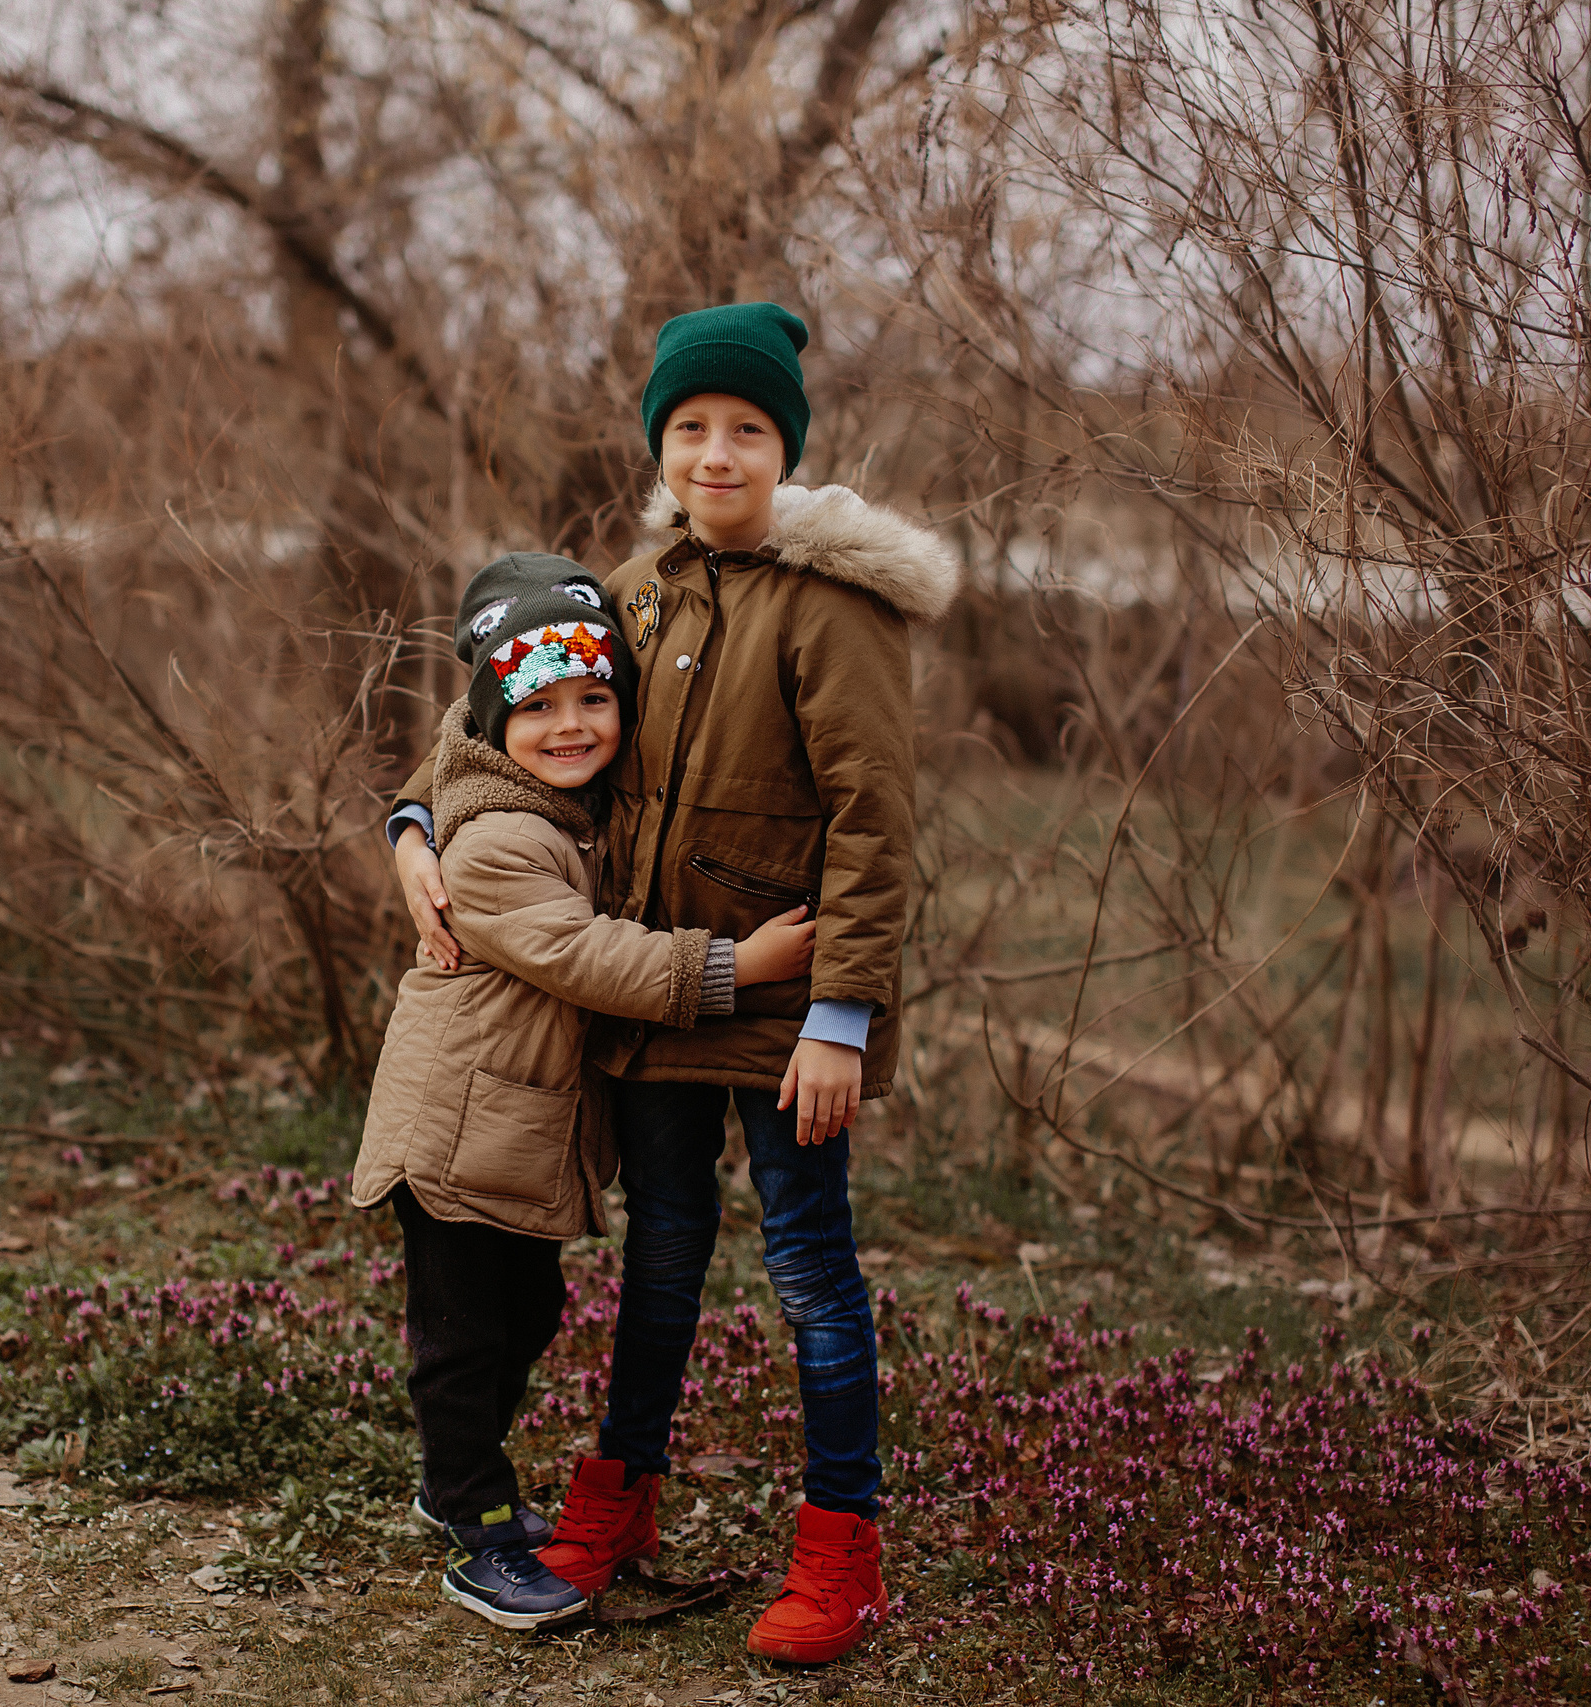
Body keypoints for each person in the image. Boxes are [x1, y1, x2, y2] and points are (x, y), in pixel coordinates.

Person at [386, 303, 959, 1664]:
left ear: (786, 447)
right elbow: (513, 723)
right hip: (657, 998)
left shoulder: (838, 607)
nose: (716, 451)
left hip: (782, 1005)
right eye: (691, 427)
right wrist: (413, 825)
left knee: (814, 1273)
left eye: (746, 429)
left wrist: (843, 1015)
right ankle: (618, 1498)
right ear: (662, 441)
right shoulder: (639, 592)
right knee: (659, 1259)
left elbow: (875, 821)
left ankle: (842, 1546)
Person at [351, 551, 817, 1632]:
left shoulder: (570, 806)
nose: (571, 726)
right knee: (462, 1335)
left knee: (529, 1313)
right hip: (456, 1129)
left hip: (508, 1128)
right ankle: (475, 1523)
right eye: (539, 708)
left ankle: (450, 1478)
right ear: (491, 725)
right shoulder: (502, 841)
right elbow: (592, 956)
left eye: (593, 699)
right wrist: (734, 967)